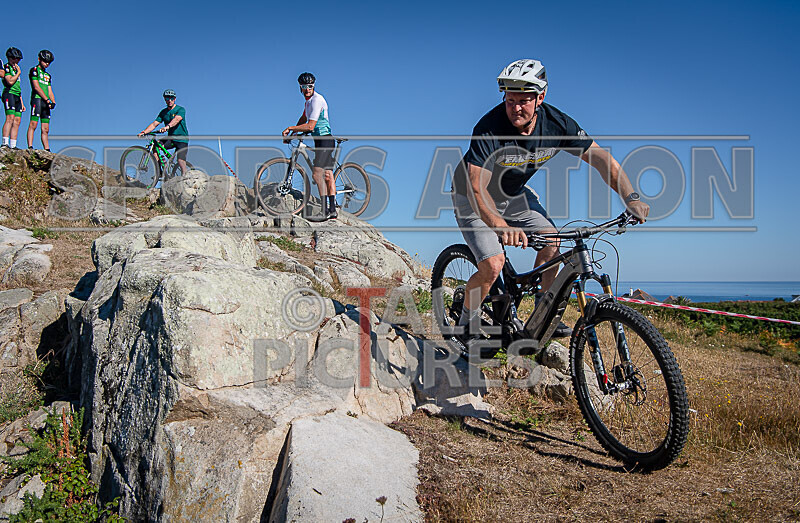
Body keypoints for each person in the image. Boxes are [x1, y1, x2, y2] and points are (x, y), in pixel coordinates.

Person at [450, 59, 650, 352]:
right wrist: (500, 226)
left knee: (552, 242)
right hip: (472, 196)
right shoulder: (489, 127)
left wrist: (631, 197)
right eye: (510, 100)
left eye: (523, 101)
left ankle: (544, 317)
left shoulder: (557, 124)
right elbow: (477, 185)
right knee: (493, 265)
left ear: (540, 98)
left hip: (515, 194)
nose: (515, 108)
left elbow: (601, 159)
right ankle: (465, 323)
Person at [281, 72, 337, 219]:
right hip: (319, 141)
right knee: (327, 174)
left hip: (325, 140)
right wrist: (293, 135)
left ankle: (325, 211)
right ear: (300, 88)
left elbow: (311, 126)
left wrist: (291, 128)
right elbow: (304, 118)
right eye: (304, 86)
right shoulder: (308, 103)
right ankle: (333, 209)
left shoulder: (317, 100)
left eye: (310, 86)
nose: (307, 89)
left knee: (317, 173)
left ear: (314, 86)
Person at [138, 89, 188, 175]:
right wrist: (144, 132)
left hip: (182, 138)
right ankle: (159, 171)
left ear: (174, 99)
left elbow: (177, 119)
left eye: (171, 98)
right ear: (164, 99)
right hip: (171, 138)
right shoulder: (163, 112)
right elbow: (154, 124)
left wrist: (167, 127)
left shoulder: (180, 109)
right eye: (167, 98)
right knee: (156, 146)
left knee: (180, 160)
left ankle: (185, 175)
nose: (169, 100)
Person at [27, 50, 56, 151]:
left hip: (46, 102)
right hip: (37, 99)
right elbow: (36, 87)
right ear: (39, 59)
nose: (47, 63)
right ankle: (30, 146)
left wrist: (53, 101)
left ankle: (47, 149)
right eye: (45, 61)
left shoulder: (48, 76)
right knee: (33, 124)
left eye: (48, 62)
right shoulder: (34, 70)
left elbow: (49, 89)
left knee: (46, 128)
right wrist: (47, 99)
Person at [2, 48, 26, 150]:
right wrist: (18, 73)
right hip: (9, 94)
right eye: (14, 59)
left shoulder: (16, 70)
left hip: (17, 95)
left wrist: (22, 102)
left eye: (18, 59)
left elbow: (18, 87)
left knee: (17, 121)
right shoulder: (6, 67)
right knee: (10, 118)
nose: (16, 61)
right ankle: (5, 143)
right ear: (9, 58)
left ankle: (13, 145)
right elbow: (10, 81)